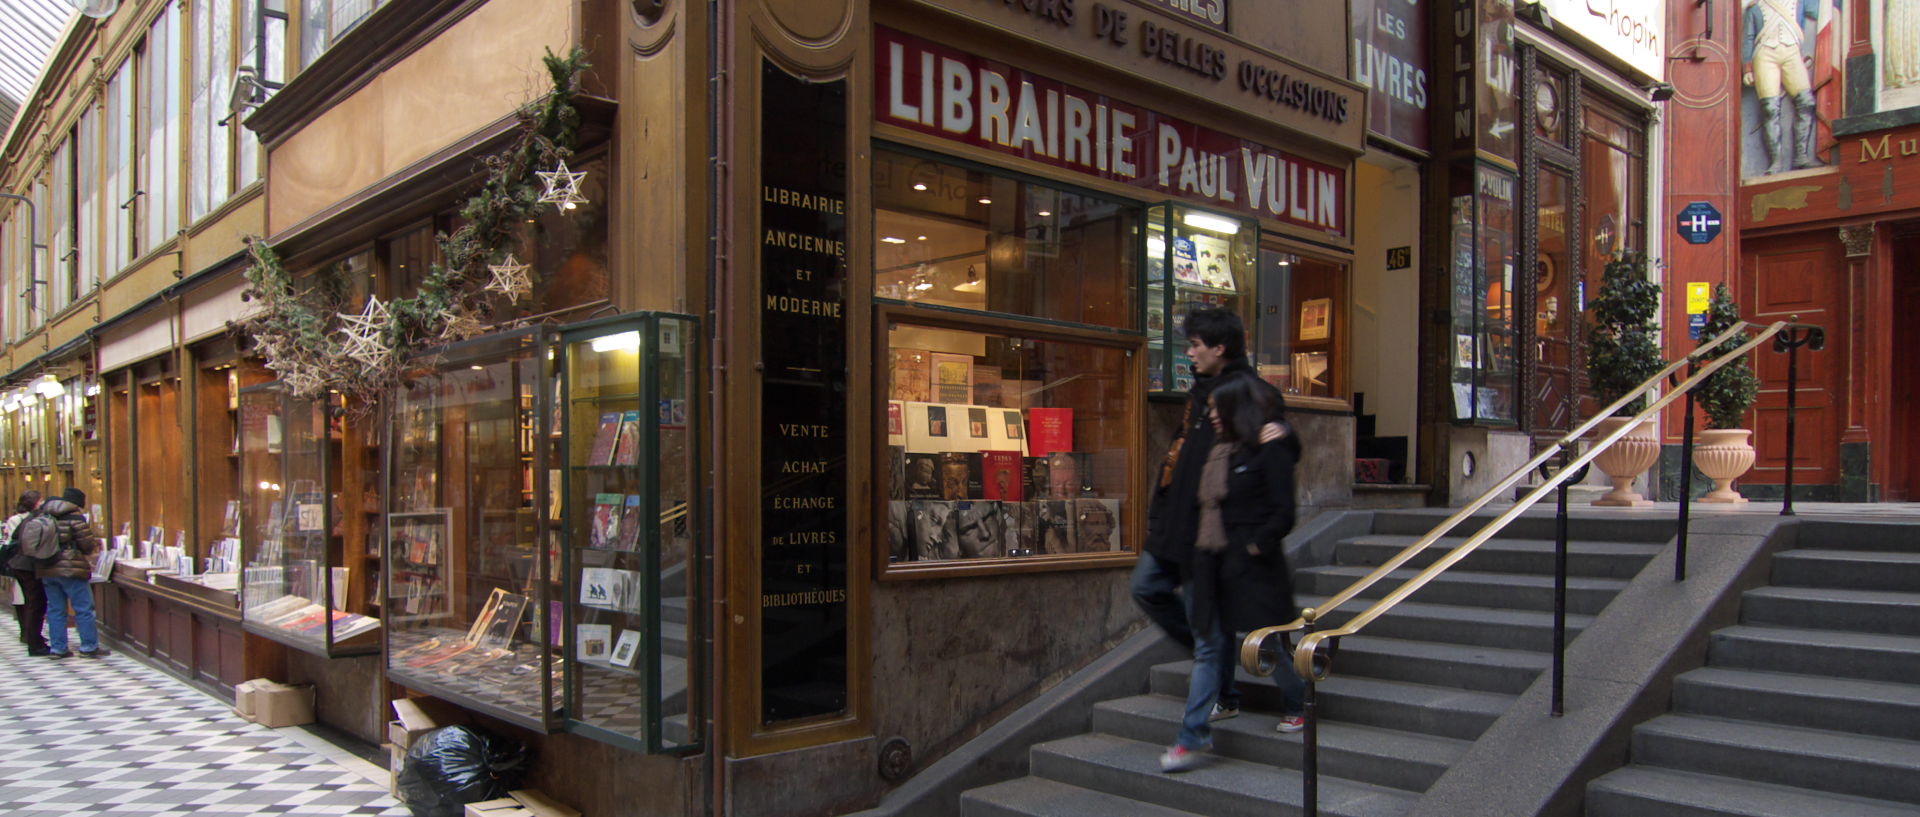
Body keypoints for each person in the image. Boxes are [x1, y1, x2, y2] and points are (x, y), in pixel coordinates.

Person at [1133, 307, 1291, 772]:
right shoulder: (1198, 394)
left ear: (1219, 348)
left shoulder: (1250, 393)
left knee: (1245, 628)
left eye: (1195, 345)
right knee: (1148, 589)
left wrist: (1256, 540)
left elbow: (1276, 446)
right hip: (1178, 528)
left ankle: (1276, 695)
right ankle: (1216, 667)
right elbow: (1177, 461)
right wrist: (1160, 520)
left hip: (1218, 535)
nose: (1189, 353)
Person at [1159, 372, 1307, 772]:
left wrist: (1255, 545)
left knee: (1269, 645)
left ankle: (1299, 700)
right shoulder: (1222, 451)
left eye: (1217, 410)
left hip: (1254, 569)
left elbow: (1283, 512)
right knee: (1209, 648)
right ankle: (1192, 737)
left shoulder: (1269, 448)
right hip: (1212, 565)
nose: (1213, 417)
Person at [20, 488, 107, 659]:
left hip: (46, 568)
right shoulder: (75, 517)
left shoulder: (44, 514)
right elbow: (87, 545)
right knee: (83, 608)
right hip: (71, 568)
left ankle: (58, 648)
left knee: (55, 609)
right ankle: (89, 646)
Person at [1743, 0, 1823, 172]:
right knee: (1770, 108)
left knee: (1806, 102)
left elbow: (1816, 11)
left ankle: (1801, 156)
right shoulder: (1755, 8)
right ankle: (1775, 162)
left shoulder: (1800, 3)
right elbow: (1749, 38)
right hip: (1764, 56)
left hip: (1792, 54)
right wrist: (1747, 67)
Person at [4, 490, 47, 655]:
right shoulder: (32, 520)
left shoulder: (29, 519)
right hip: (26, 566)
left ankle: (32, 637)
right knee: (34, 603)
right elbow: (28, 545)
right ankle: (33, 640)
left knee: (31, 602)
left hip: (21, 564)